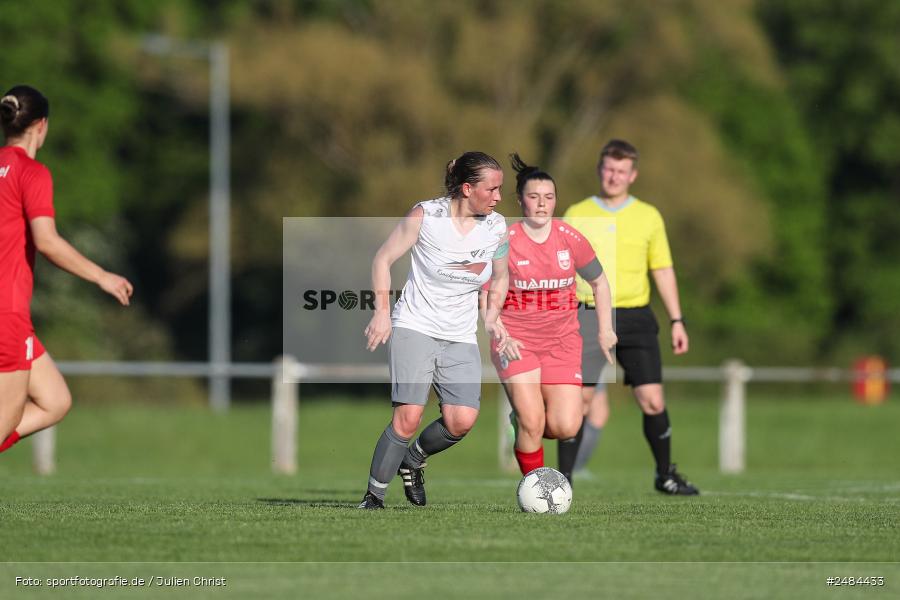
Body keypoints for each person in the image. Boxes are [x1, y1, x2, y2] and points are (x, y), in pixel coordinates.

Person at [358, 151, 509, 509]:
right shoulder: (426, 215)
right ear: (468, 188)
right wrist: (381, 312)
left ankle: (413, 459)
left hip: (460, 335)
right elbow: (382, 259)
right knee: (408, 417)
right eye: (493, 189)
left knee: (462, 420)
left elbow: (500, 277)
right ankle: (373, 498)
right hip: (415, 325)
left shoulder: (497, 226)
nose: (500, 197)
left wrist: (491, 315)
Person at [0, 85, 133, 455]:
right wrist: (102, 276)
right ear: (41, 126)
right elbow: (47, 241)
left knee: (55, 399)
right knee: (4, 422)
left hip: (10, 316)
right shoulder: (31, 172)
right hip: (6, 312)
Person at [564, 139, 699, 495]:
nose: (614, 176)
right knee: (580, 402)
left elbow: (663, 269)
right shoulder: (577, 213)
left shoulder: (649, 216)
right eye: (609, 169)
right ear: (599, 170)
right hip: (587, 316)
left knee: (652, 399)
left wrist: (677, 320)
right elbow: (560, 266)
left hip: (636, 317)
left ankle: (665, 475)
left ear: (632, 175)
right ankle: (563, 481)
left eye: (621, 171)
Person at [488, 154, 616, 484]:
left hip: (562, 344)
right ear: (520, 200)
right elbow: (486, 295)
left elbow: (600, 282)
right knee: (533, 421)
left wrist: (604, 330)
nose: (542, 204)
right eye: (534, 197)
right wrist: (500, 331)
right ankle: (539, 489)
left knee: (565, 426)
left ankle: (524, 422)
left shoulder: (569, 238)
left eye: (549, 197)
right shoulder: (505, 242)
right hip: (516, 343)